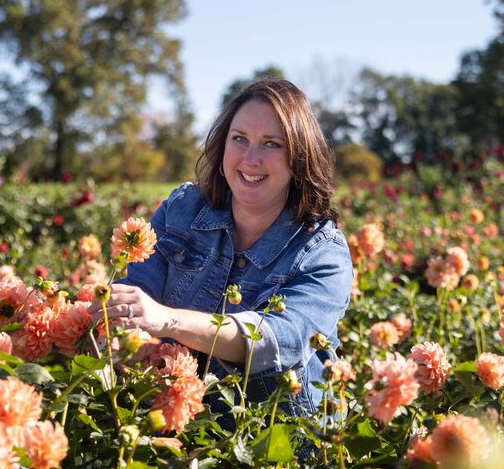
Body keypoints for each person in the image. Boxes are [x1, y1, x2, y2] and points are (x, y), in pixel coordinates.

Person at [107, 79, 353, 414]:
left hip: (278, 443)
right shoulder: (183, 209)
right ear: (222, 145)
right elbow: (136, 294)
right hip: (168, 421)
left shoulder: (323, 252)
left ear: (299, 157)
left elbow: (276, 339)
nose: (251, 159)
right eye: (240, 139)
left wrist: (168, 321)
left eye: (272, 144)